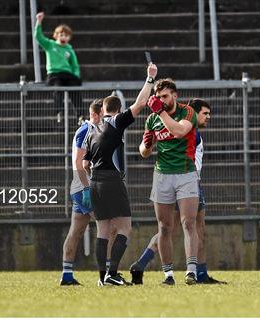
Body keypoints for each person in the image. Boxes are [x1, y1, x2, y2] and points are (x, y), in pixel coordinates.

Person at [129, 98, 226, 284]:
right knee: (195, 229)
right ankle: (201, 273)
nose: (208, 117)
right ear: (193, 113)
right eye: (205, 113)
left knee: (168, 230)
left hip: (181, 180)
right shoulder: (191, 132)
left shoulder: (191, 131)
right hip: (188, 181)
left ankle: (141, 264)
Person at [82, 63, 158, 286]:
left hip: (95, 181)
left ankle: (101, 277)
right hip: (112, 180)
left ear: (103, 109)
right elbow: (141, 103)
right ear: (117, 109)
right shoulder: (115, 122)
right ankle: (112, 274)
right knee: (124, 227)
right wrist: (150, 78)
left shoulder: (91, 130)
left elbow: (85, 164)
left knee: (102, 231)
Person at [139, 79, 201, 285]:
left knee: (188, 223)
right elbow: (144, 152)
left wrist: (161, 112)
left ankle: (191, 271)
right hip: (162, 175)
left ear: (175, 95)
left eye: (165, 96)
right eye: (158, 97)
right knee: (164, 227)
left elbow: (180, 131)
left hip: (186, 173)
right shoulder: (152, 119)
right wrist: (146, 145)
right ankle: (168, 275)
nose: (161, 100)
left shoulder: (188, 112)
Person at [60, 99, 103, 285]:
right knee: (108, 227)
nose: (106, 118)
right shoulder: (86, 130)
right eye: (103, 115)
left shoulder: (96, 130)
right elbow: (79, 162)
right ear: (94, 114)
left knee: (76, 231)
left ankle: (67, 275)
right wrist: (87, 188)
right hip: (85, 188)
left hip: (82, 187)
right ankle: (106, 275)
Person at [35, 11, 83, 121]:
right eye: (61, 34)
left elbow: (75, 65)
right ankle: (59, 111)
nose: (63, 37)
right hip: (54, 74)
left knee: (75, 88)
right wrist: (39, 21)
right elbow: (38, 36)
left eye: (66, 35)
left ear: (69, 37)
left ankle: (80, 114)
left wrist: (76, 76)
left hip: (67, 74)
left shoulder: (69, 49)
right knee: (58, 88)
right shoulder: (50, 44)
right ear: (56, 35)